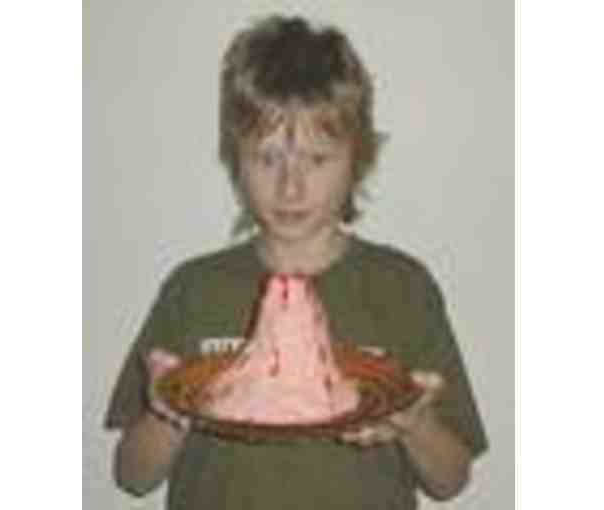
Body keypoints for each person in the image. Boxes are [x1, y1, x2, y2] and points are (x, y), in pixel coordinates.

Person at [104, 15, 488, 510]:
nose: (290, 188)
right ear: (236, 160)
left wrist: (414, 423)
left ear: (357, 159)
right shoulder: (193, 290)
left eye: (317, 159)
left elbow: (450, 481)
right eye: (267, 159)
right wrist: (168, 412)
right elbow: (132, 477)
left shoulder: (402, 288)